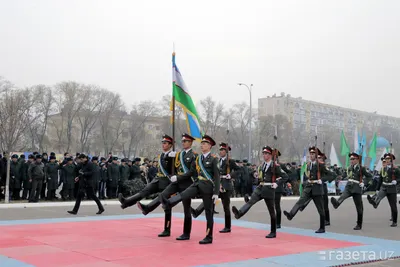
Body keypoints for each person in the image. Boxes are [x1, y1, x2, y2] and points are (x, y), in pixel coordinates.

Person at [160, 135, 220, 244]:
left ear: (210, 146)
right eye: (201, 143)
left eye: (205, 144)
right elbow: (192, 172)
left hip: (207, 187)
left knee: (208, 212)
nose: (202, 145)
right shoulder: (198, 158)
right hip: (197, 184)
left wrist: (216, 193)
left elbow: (217, 177)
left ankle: (209, 236)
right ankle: (169, 203)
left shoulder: (214, 159)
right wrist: (178, 177)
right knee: (184, 194)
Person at [137, 133, 197, 240]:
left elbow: (192, 171)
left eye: (185, 141)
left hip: (187, 185)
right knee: (162, 195)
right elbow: (171, 167)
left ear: (190, 143)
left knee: (186, 210)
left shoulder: (194, 155)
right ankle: (148, 208)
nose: (183, 143)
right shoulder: (179, 154)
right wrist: (170, 158)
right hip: (176, 182)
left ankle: (186, 233)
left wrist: (178, 177)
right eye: (182, 141)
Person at [118, 134, 174, 237]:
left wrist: (172, 158)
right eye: (162, 143)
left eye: (165, 143)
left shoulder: (173, 156)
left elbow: (172, 170)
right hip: (158, 179)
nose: (163, 145)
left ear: (170, 145)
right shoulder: (162, 154)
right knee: (144, 191)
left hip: (167, 181)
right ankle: (126, 202)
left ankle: (167, 229)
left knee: (166, 205)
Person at [232, 146, 288, 238]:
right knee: (251, 201)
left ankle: (273, 232)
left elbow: (285, 176)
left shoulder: (275, 166)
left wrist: (277, 183)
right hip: (260, 187)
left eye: (266, 153)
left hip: (269, 189)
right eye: (263, 153)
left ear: (270, 155)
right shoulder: (262, 165)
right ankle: (239, 213)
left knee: (271, 211)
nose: (264, 155)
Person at [190, 142, 240, 233]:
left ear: (226, 151)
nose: (221, 152)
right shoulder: (216, 159)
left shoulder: (230, 161)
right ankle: (197, 212)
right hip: (217, 184)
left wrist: (231, 175)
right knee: (210, 202)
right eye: (220, 150)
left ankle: (227, 226)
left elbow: (239, 170)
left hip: (226, 185)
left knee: (226, 207)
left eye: (223, 150)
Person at [283, 146, 330, 233]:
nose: (311, 155)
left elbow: (331, 175)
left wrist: (322, 180)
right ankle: (291, 214)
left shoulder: (321, 165)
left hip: (317, 188)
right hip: (309, 187)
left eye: (313, 154)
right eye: (310, 154)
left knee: (320, 208)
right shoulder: (308, 165)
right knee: (301, 200)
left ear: (316, 155)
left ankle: (322, 227)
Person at [331, 152, 371, 230]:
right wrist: (338, 177)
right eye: (351, 159)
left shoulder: (361, 168)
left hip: (357, 188)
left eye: (353, 159)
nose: (351, 160)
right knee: (342, 196)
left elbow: (369, 176)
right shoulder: (349, 167)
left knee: (359, 207)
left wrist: (364, 183)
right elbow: (344, 175)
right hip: (349, 186)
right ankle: (337, 203)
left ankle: (359, 224)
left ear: (357, 159)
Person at [367, 152, 400, 227]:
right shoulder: (383, 169)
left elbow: (399, 178)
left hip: (392, 188)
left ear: (391, 160)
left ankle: (394, 221)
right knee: (378, 197)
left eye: (388, 159)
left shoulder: (395, 169)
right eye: (386, 159)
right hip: (384, 187)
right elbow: (380, 180)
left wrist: (396, 181)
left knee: (393, 206)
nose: (387, 160)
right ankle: (374, 203)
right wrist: (377, 189)